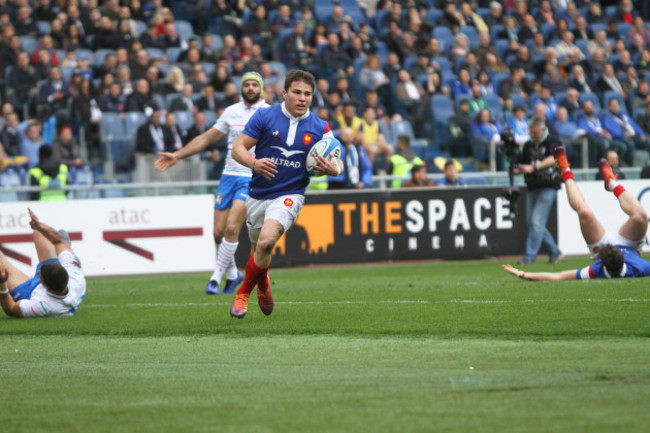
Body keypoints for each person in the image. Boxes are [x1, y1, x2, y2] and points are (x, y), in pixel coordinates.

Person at [229, 69, 343, 318]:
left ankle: (242, 295)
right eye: (297, 92)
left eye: (308, 94)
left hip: (290, 195)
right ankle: (263, 284)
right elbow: (238, 149)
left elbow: (338, 162)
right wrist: (254, 163)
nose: (302, 98)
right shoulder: (265, 116)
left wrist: (332, 170)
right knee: (259, 249)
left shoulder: (319, 127)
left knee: (267, 241)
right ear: (284, 93)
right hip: (258, 195)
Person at [154, 72, 269, 295]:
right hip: (228, 176)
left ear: (261, 88)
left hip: (251, 177)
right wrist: (178, 155)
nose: (251, 88)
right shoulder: (231, 112)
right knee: (218, 233)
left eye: (255, 85)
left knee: (232, 227)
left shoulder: (269, 113)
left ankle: (215, 277)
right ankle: (234, 274)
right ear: (241, 88)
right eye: (247, 84)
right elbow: (207, 138)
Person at [503, 148, 650, 280]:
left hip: (603, 248)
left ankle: (565, 169)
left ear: (602, 265)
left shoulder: (596, 270)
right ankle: (611, 182)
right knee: (641, 215)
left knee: (584, 212)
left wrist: (524, 274)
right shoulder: (641, 268)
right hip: (630, 245)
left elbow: (558, 276)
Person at [0, 209, 86, 318]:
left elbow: (11, 308)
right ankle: (64, 250)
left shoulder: (43, 306)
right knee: (41, 233)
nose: (38, 271)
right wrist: (39, 226)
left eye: (40, 273)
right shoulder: (75, 275)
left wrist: (2, 284)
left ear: (46, 288)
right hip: (52, 283)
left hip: (29, 295)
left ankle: (61, 250)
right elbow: (59, 240)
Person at [516, 115, 563, 265]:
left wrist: (534, 167)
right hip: (532, 186)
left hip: (549, 185)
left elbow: (554, 158)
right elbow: (522, 163)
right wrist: (517, 169)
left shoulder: (553, 141)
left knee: (536, 221)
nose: (532, 136)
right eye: (530, 132)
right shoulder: (527, 145)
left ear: (543, 130)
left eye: (535, 133)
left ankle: (530, 257)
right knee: (532, 222)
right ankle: (555, 252)